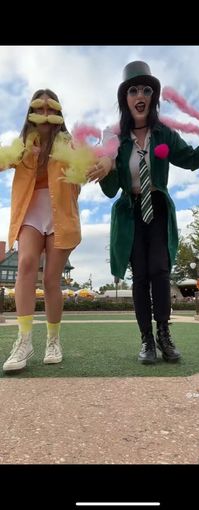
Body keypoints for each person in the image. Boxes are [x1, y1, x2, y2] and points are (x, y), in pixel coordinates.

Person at [86, 61, 199, 364]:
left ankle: (164, 334)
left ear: (153, 97)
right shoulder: (114, 136)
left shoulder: (164, 133)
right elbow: (109, 187)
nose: (140, 94)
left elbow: (190, 160)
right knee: (141, 276)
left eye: (146, 89)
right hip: (130, 211)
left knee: (160, 269)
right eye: (133, 90)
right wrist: (106, 165)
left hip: (157, 206)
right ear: (126, 99)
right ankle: (146, 340)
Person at [1, 89, 81, 372]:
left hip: (60, 213)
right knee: (25, 265)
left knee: (50, 280)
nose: (45, 115)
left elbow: (80, 174)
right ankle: (23, 341)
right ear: (32, 113)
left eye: (51, 110)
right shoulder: (22, 143)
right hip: (30, 211)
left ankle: (53, 340)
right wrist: (23, 153)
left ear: (58, 113)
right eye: (40, 109)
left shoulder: (68, 143)